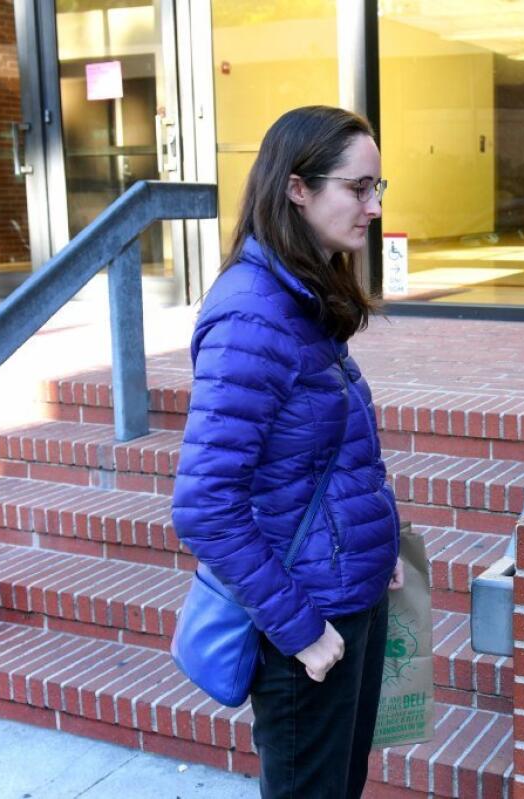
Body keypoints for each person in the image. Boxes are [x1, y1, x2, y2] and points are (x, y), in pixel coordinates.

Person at [172, 106, 402, 798]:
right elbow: (205, 505)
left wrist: (375, 550)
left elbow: (325, 459)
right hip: (306, 622)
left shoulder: (302, 295)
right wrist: (302, 630)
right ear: (297, 188)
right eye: (358, 188)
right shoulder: (253, 313)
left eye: (377, 187)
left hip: (344, 595)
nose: (373, 207)